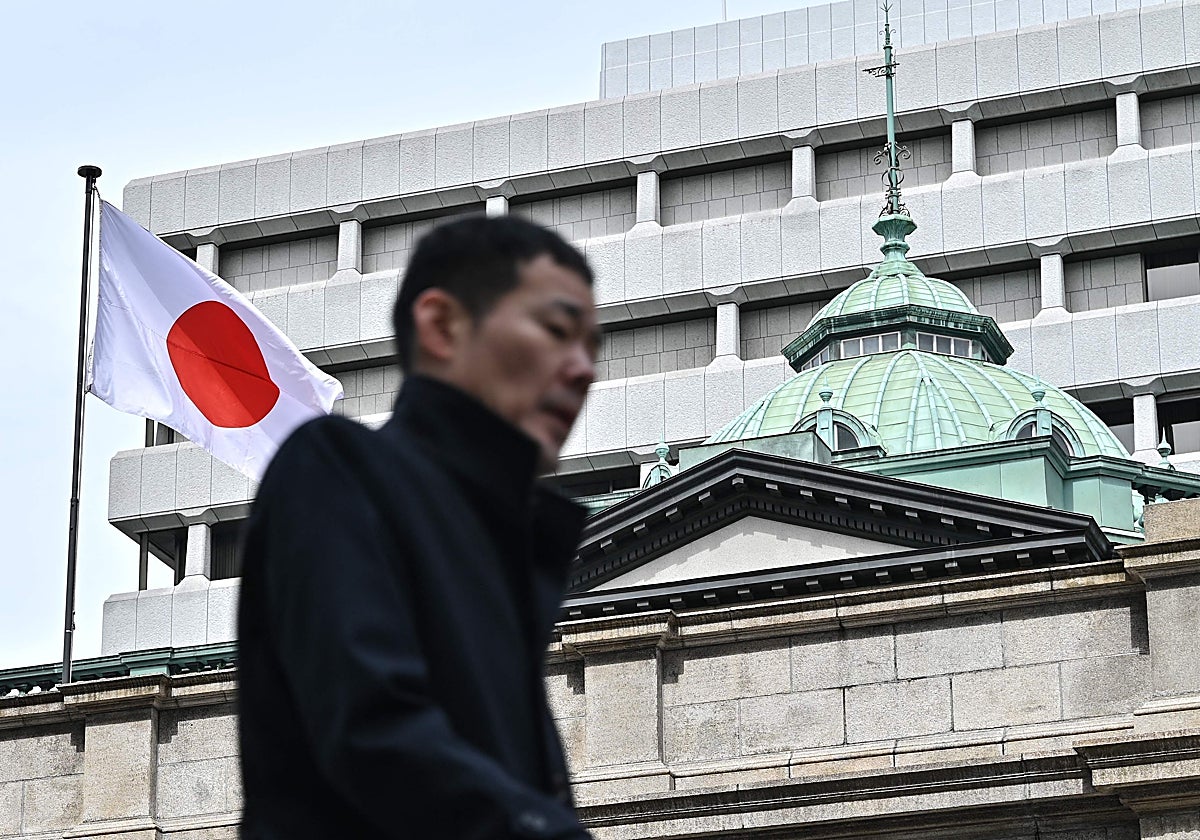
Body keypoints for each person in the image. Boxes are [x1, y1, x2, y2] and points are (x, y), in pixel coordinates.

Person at [237, 214, 600, 839]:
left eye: (592, 347)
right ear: (442, 325)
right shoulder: (337, 469)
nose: (584, 369)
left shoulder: (502, 550)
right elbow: (375, 728)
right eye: (556, 330)